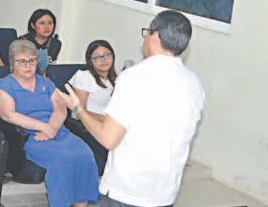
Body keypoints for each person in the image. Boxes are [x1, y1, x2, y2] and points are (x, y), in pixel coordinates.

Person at [58, 11, 203, 207]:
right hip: (165, 191)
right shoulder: (193, 82)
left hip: (129, 189)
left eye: (147, 32)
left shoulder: (134, 77)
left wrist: (78, 109)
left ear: (156, 36)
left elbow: (108, 138)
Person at [0, 39, 99, 207]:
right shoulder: (5, 86)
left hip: (57, 131)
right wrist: (44, 127)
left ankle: (81, 204)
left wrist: (53, 128)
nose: (28, 65)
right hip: (30, 135)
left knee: (85, 154)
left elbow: (60, 107)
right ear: (12, 63)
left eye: (32, 60)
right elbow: (8, 115)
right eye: (22, 61)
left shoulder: (45, 82)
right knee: (62, 159)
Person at [65, 40, 118, 175]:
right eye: (98, 57)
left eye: (107, 55)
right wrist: (105, 119)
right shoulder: (84, 77)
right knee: (102, 162)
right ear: (90, 61)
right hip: (87, 125)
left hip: (109, 124)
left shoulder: (116, 78)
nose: (104, 59)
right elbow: (78, 111)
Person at [20, 9, 62, 74]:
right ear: (33, 25)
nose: (47, 27)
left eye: (50, 23)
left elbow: (51, 67)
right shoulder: (23, 41)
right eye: (42, 23)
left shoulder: (55, 43)